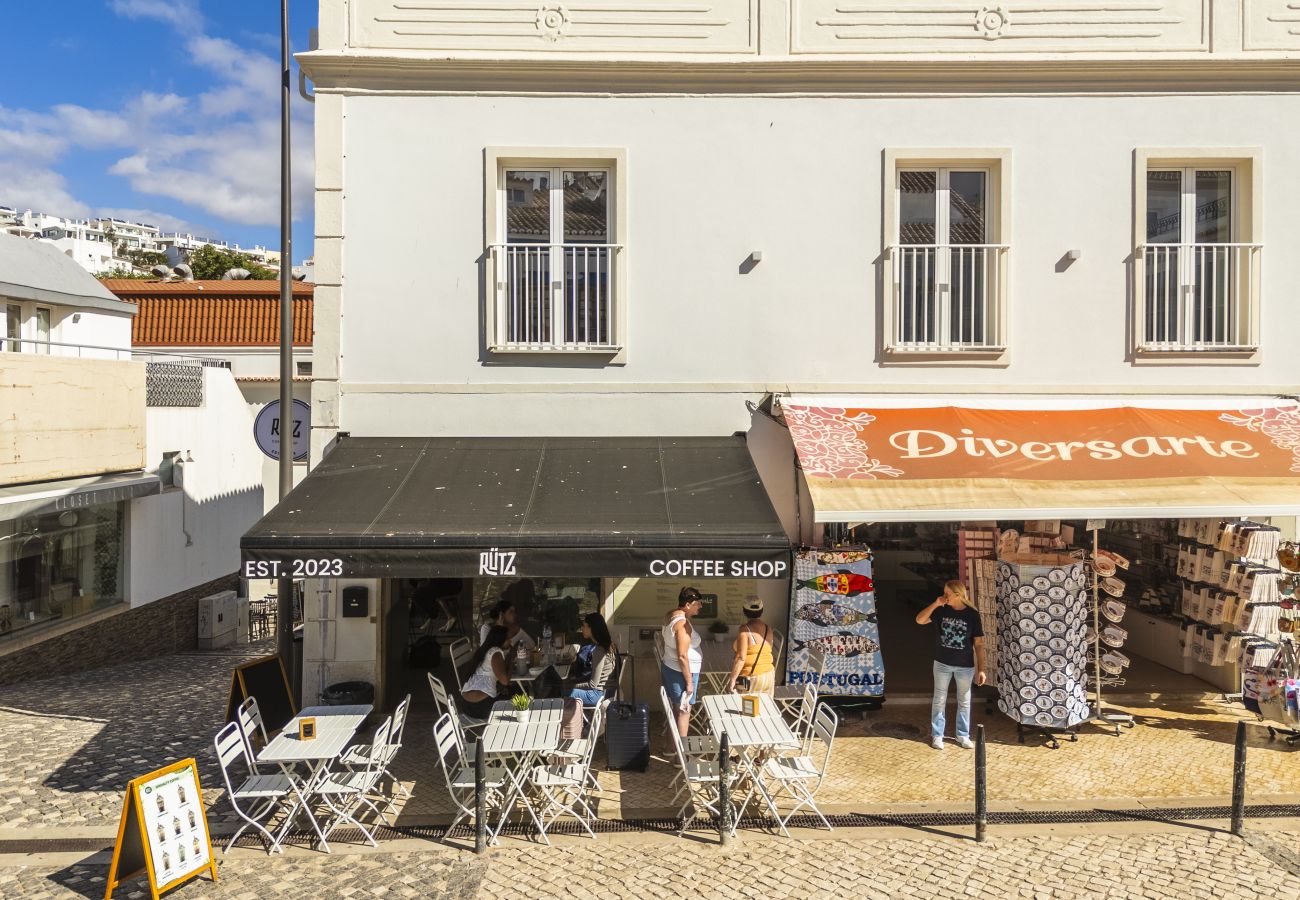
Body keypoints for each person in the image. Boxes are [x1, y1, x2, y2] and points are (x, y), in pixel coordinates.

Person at [915, 579, 986, 750]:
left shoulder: (972, 614)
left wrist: (981, 669)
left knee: (964, 701)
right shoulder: (941, 610)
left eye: (947, 593)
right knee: (939, 699)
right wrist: (935, 604)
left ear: (957, 595)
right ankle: (937, 735)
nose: (943, 595)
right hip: (942, 663)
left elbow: (979, 643)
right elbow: (919, 620)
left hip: (965, 665)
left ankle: (963, 735)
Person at [661, 586, 704, 737]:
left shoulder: (671, 615)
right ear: (688, 605)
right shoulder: (683, 625)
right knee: (684, 712)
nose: (700, 606)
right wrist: (690, 682)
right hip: (681, 672)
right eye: (698, 603)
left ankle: (670, 749)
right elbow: (682, 656)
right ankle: (680, 757)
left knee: (676, 709)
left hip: (670, 667)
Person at [725, 596, 776, 696]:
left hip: (752, 677)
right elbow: (767, 649)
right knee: (766, 709)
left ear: (744, 611)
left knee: (747, 708)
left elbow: (741, 657)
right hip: (769, 674)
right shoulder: (768, 628)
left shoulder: (744, 629)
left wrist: (732, 679)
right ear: (761, 611)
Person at [460, 625, 514, 719]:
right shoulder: (496, 652)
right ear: (500, 640)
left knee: (506, 693)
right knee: (516, 695)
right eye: (508, 639)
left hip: (466, 705)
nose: (510, 641)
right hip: (480, 707)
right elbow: (505, 681)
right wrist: (511, 663)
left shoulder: (484, 650)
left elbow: (488, 675)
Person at [568, 612, 617, 706]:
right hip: (608, 691)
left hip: (597, 695)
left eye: (584, 626)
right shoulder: (609, 644)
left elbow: (592, 685)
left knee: (561, 692)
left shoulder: (599, 650)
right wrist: (574, 681)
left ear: (592, 629)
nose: (582, 628)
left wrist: (572, 685)